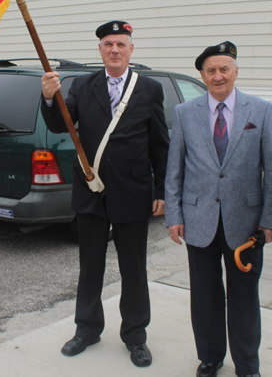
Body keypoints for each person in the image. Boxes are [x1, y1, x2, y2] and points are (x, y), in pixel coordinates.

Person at [40, 21, 169, 367]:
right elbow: (59, 124)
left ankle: (136, 335)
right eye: (108, 44)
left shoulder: (150, 89)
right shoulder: (82, 86)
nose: (114, 49)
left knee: (133, 267)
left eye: (121, 44)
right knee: (90, 265)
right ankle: (87, 328)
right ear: (100, 49)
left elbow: (159, 143)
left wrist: (161, 189)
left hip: (134, 190)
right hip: (91, 190)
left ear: (131, 49)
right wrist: (49, 97)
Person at [165, 41, 272, 377]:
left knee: (244, 299)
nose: (218, 76)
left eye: (224, 69)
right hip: (198, 220)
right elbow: (175, 170)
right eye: (211, 70)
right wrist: (174, 215)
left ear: (235, 71)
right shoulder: (185, 113)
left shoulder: (259, 110)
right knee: (205, 296)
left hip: (246, 226)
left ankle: (247, 365)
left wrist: (270, 219)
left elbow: (271, 169)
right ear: (202, 75)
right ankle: (211, 356)